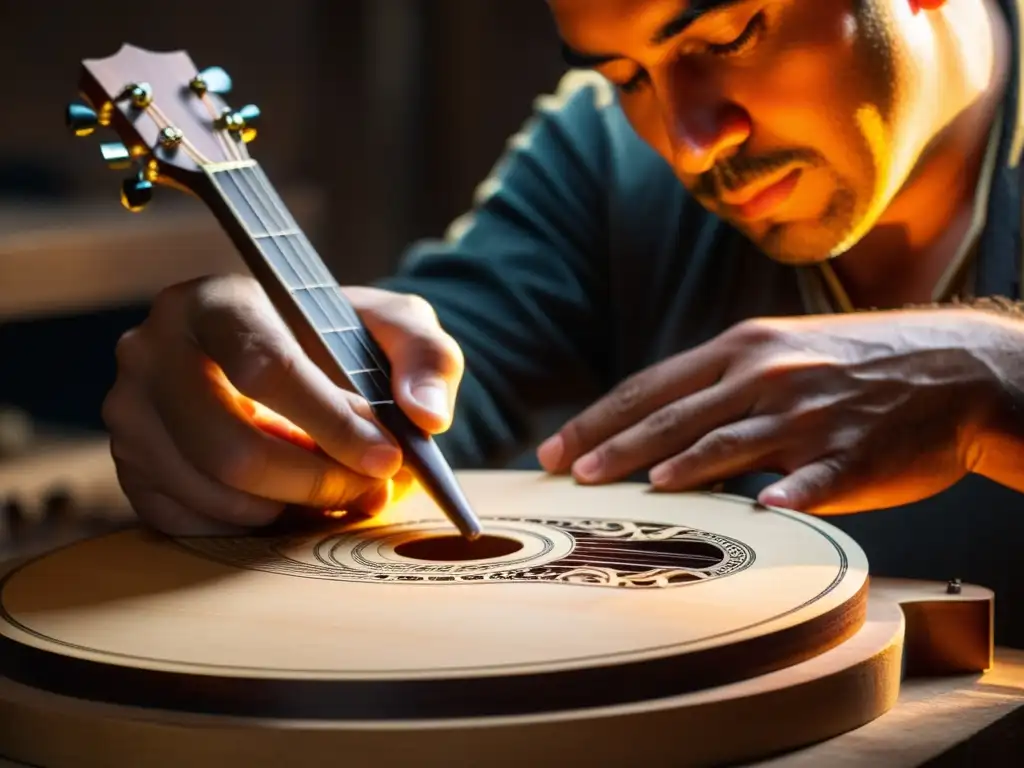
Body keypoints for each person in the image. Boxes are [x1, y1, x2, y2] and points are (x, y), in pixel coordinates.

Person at [103, 0, 1024, 645]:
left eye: (731, 33)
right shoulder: (602, 153)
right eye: (627, 75)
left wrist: (998, 373)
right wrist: (256, 403)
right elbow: (430, 379)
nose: (689, 140)